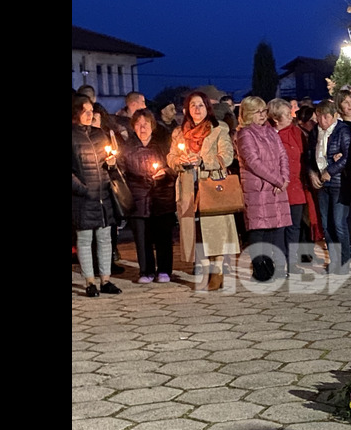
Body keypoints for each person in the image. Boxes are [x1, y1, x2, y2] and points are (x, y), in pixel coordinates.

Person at [167, 91, 239, 291]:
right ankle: (204, 269)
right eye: (193, 106)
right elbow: (170, 157)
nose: (197, 109)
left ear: (207, 107)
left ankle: (217, 271)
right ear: (187, 109)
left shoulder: (218, 129)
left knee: (214, 230)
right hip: (188, 187)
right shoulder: (179, 133)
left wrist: (203, 161)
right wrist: (179, 162)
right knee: (195, 232)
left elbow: (227, 156)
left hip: (211, 186)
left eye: (200, 105)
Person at [235, 96, 292, 281]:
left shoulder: (270, 132)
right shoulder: (245, 134)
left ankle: (277, 265)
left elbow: (283, 156)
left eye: (263, 111)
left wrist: (284, 179)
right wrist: (277, 180)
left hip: (276, 188)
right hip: (258, 189)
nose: (262, 115)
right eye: (257, 112)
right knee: (258, 229)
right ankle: (260, 267)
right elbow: (253, 162)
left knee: (275, 229)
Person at [72, 95, 122, 296]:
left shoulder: (100, 134)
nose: (89, 115)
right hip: (83, 198)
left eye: (91, 111)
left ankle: (106, 280)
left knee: (104, 239)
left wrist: (111, 164)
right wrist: (82, 189)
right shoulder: (73, 135)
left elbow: (110, 162)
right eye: (85, 111)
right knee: (84, 239)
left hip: (103, 195)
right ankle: (89, 282)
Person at [121, 109, 175, 284]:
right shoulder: (127, 147)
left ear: (152, 125)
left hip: (162, 196)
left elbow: (174, 167)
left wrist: (165, 172)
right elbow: (122, 171)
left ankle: (165, 270)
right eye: (138, 124)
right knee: (142, 237)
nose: (142, 128)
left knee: (163, 236)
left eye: (146, 124)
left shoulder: (163, 145)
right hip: (138, 196)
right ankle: (146, 270)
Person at [307, 101, 351, 275]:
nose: (322, 120)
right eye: (319, 116)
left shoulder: (342, 131)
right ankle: (334, 260)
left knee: (339, 223)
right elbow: (310, 156)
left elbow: (347, 156)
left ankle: (345, 259)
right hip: (321, 183)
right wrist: (312, 173)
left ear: (334, 116)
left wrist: (331, 171)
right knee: (326, 224)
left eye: (326, 116)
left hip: (339, 183)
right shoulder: (314, 132)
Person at [269, 98, 309, 273]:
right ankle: (279, 263)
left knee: (294, 227)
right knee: (279, 228)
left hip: (296, 186)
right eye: (287, 114)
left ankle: (292, 263)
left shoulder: (297, 133)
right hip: (278, 188)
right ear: (276, 118)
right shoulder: (269, 135)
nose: (292, 117)